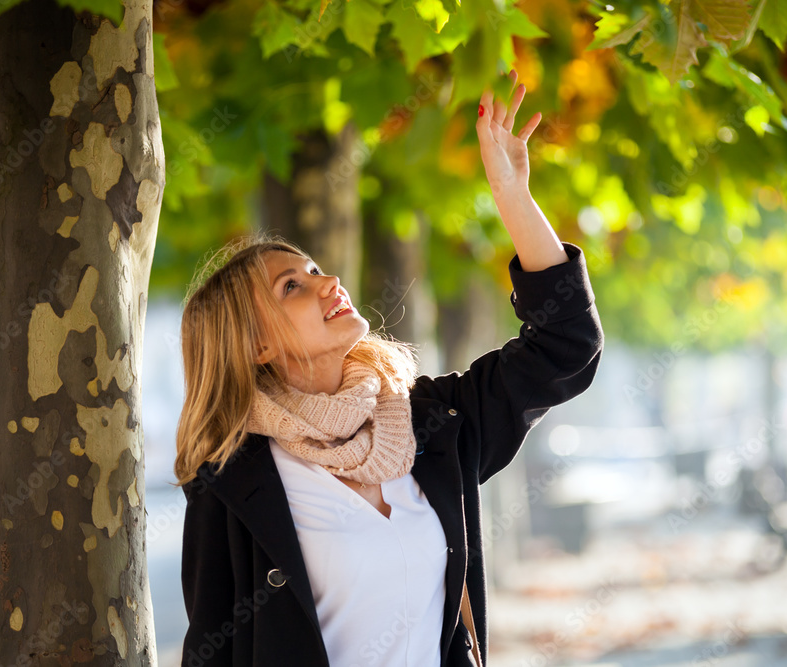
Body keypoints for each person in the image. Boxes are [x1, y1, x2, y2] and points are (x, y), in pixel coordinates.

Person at [173, 69, 604, 667]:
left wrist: (513, 198)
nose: (328, 283)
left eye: (318, 267)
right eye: (292, 286)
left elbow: (566, 344)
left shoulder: (434, 423)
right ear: (256, 347)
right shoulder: (234, 484)